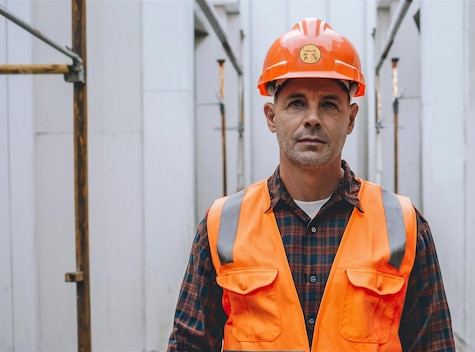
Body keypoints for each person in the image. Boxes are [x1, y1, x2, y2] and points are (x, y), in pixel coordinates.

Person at [167, 17, 455, 351]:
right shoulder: (222, 224)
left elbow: (434, 344)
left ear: (350, 118)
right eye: (297, 102)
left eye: (329, 104)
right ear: (272, 117)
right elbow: (188, 345)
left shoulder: (403, 226)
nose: (312, 118)